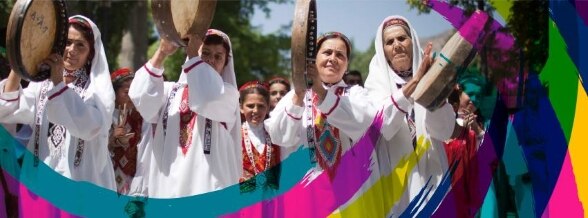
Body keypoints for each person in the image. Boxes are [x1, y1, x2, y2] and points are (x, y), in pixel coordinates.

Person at [0, 15, 116, 217]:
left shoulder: (97, 93)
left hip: (81, 185)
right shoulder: (40, 86)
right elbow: (8, 110)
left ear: (90, 54)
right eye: (67, 42)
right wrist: (20, 63)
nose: (71, 50)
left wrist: (58, 84)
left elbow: (88, 127)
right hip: (41, 183)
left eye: (80, 46)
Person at [266, 32, 379, 215]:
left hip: (349, 194)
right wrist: (298, 97)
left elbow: (362, 123)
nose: (333, 59)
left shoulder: (356, 94)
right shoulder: (294, 95)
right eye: (327, 53)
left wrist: (320, 89)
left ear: (347, 65)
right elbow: (279, 136)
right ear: (314, 59)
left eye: (340, 55)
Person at [129, 29, 241, 198]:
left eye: (218, 56)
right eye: (205, 53)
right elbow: (140, 96)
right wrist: (161, 53)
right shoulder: (168, 91)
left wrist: (195, 57)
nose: (210, 60)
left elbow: (207, 97)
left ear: (226, 63)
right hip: (166, 191)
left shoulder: (228, 95)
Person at [364, 16, 456, 216]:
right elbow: (384, 127)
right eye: (389, 42)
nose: (396, 45)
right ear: (384, 52)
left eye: (401, 38)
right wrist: (414, 83)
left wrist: (435, 93)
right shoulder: (375, 84)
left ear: (412, 41)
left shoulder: (432, 76)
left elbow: (444, 131)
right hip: (397, 184)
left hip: (433, 174)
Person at [444, 84, 485, 217]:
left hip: (460, 203)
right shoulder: (427, 135)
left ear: (455, 106)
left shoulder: (469, 134)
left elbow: (473, 174)